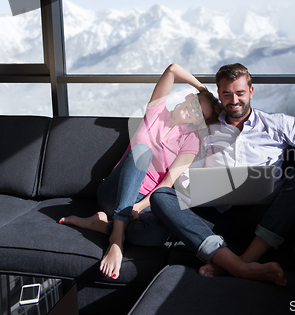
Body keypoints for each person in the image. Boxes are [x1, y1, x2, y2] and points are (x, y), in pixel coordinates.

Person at [148, 63, 295, 286]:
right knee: (161, 196)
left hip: (264, 217)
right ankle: (238, 266)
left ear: (250, 92)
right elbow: (184, 173)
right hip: (214, 219)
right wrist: (191, 189)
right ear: (219, 95)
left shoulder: (275, 123)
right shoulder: (204, 129)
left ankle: (244, 260)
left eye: (240, 93)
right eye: (227, 94)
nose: (234, 100)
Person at [59, 63, 222, 280]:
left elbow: (165, 186)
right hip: (113, 193)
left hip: (142, 202)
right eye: (195, 103)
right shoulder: (156, 113)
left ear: (199, 123)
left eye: (200, 114)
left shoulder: (190, 141)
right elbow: (172, 69)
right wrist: (204, 90)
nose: (193, 110)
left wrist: (139, 205)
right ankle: (116, 240)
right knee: (142, 151)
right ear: (188, 97)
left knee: (158, 233)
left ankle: (100, 225)